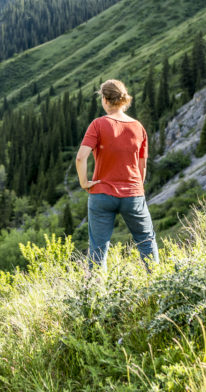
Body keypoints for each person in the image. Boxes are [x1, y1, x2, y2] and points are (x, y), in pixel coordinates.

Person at [75, 79, 158, 270]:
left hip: (102, 194)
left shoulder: (98, 124)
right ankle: (157, 287)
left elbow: (81, 158)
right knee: (146, 241)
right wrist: (137, 187)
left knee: (98, 248)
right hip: (133, 194)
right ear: (123, 99)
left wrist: (84, 182)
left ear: (105, 100)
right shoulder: (138, 127)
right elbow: (142, 165)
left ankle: (96, 295)